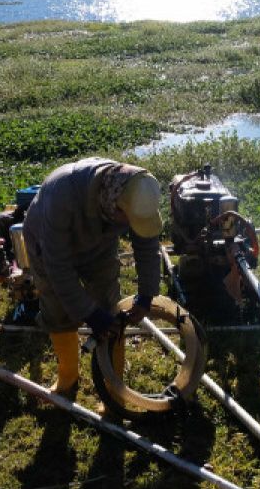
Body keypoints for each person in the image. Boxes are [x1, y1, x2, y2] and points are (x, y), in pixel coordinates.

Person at [22, 157, 163, 397]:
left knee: (110, 307)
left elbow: (147, 247)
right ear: (112, 203)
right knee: (57, 306)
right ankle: (67, 377)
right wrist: (89, 314)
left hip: (99, 244)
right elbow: (58, 268)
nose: (130, 225)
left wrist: (147, 295)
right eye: (127, 219)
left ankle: (114, 385)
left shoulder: (137, 194)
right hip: (47, 244)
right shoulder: (62, 192)